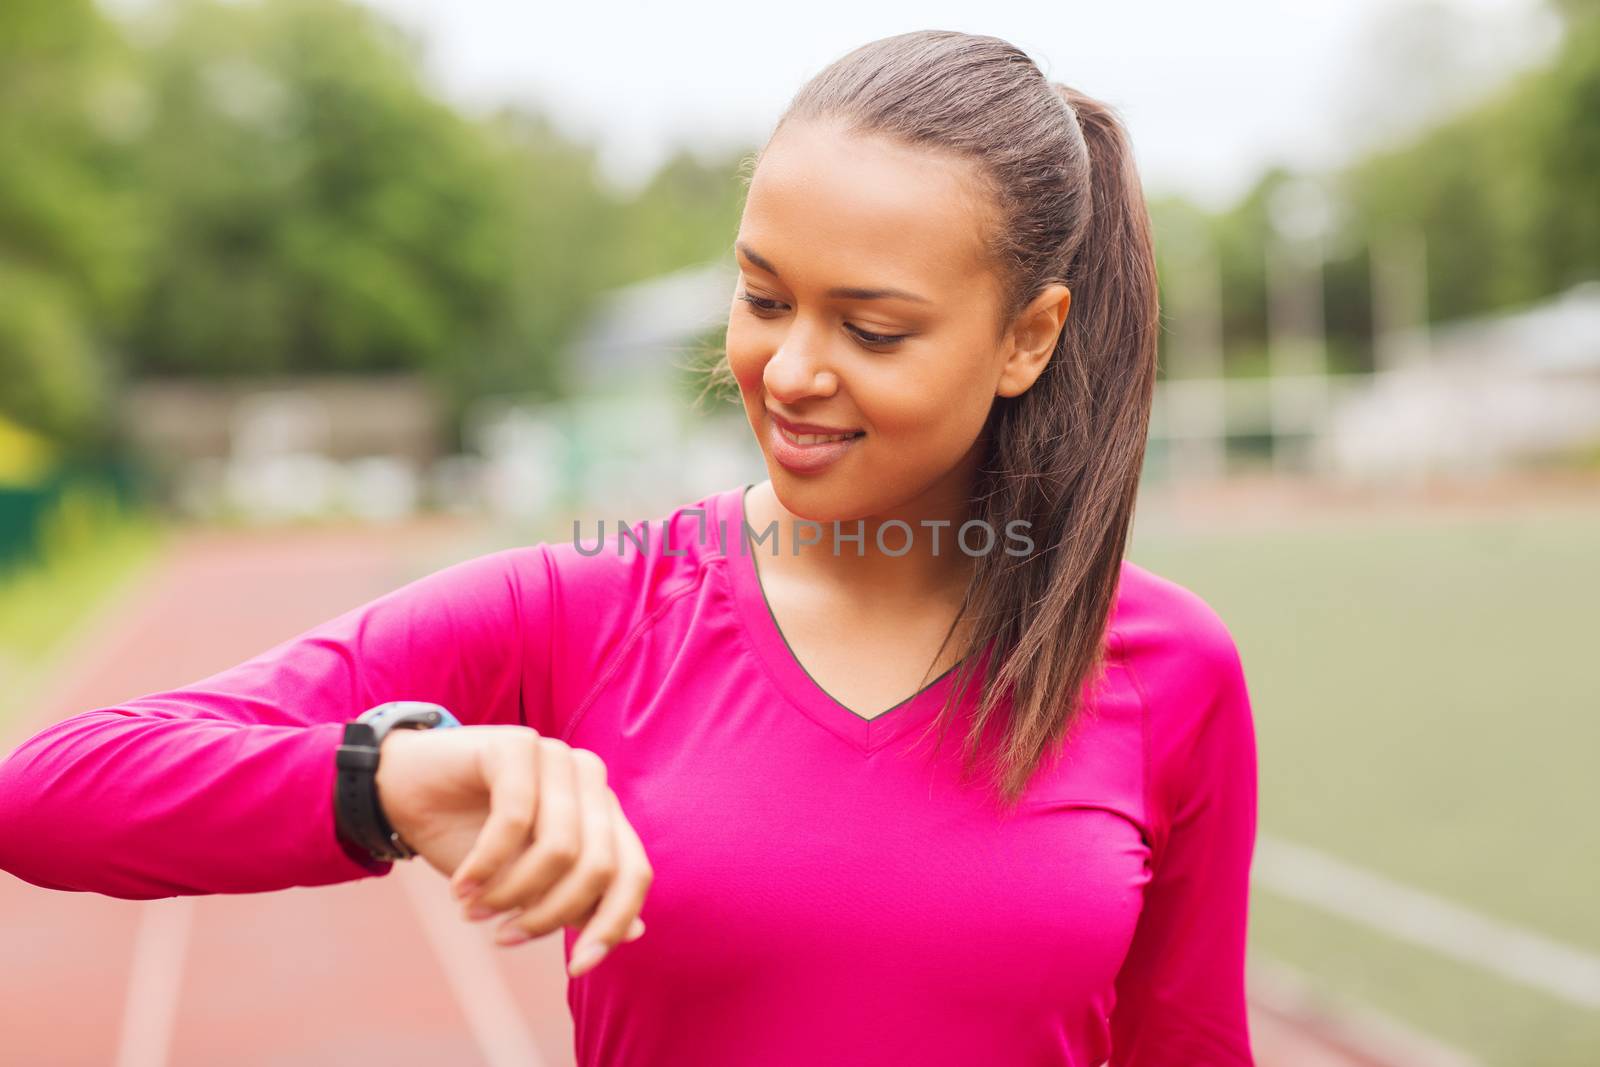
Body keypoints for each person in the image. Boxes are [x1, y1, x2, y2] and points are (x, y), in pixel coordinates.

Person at [0, 28, 1257, 1067]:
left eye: (872, 328)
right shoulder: (595, 607)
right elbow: (47, 792)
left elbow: (1187, 1046)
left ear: (1028, 339)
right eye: (764, 297)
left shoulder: (1168, 670)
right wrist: (387, 776)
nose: (791, 370)